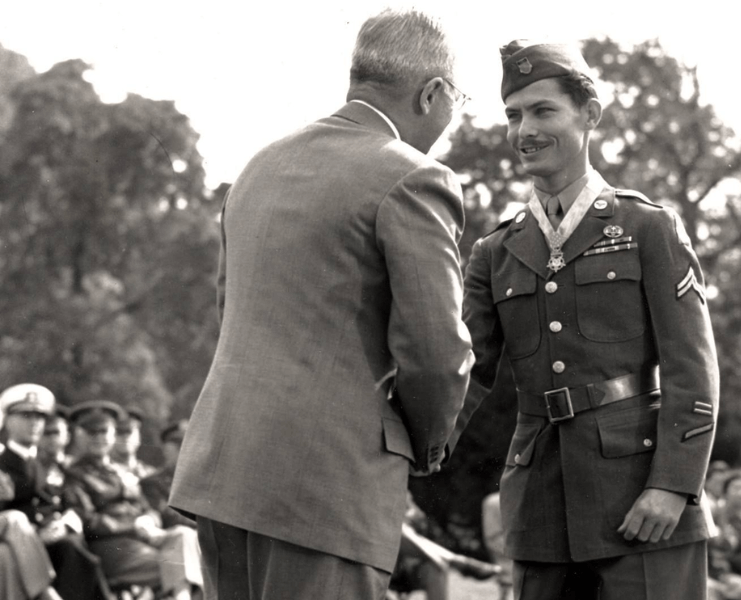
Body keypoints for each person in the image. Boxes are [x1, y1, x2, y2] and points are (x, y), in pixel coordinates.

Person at [169, 8, 474, 599]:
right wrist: (426, 443)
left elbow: (230, 310)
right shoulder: (415, 177)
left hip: (224, 472)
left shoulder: (259, 166)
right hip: (323, 487)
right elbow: (437, 354)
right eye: (456, 98)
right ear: (431, 92)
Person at [448, 40, 720, 600]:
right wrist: (405, 450)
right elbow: (463, 374)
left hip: (642, 503)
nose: (525, 130)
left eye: (543, 111)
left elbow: (693, 370)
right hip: (540, 508)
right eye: (514, 115)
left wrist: (673, 486)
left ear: (589, 115)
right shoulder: (495, 252)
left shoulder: (648, 228)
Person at [63, 401, 202, 600]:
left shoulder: (120, 472)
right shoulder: (74, 474)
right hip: (110, 546)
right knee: (184, 565)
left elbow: (147, 508)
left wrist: (149, 520)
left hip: (142, 539)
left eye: (104, 431)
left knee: (183, 535)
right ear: (79, 435)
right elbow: (86, 520)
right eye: (92, 432)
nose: (99, 438)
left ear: (113, 434)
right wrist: (132, 525)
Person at [0, 384, 112, 600]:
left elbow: (70, 502)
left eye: (40, 417)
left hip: (54, 537)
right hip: (22, 541)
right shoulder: (3, 464)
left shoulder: (47, 464)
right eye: (26, 416)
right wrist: (36, 532)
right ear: (8, 421)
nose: (34, 423)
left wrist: (64, 523)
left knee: (75, 548)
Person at [139, 420, 194, 529]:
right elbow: (169, 516)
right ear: (167, 451)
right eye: (178, 448)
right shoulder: (152, 482)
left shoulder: (205, 482)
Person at [111, 406, 155, 484]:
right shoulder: (102, 473)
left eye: (129, 431)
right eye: (120, 431)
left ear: (139, 436)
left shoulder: (151, 474)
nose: (125, 436)